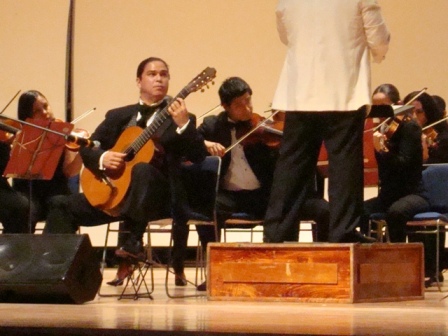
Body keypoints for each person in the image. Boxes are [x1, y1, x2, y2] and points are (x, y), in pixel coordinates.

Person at [43, 57, 207, 286]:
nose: (158, 78)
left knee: (141, 170)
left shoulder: (181, 118)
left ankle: (132, 242)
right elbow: (90, 147)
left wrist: (183, 126)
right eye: (152, 74)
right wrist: (103, 157)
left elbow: (198, 155)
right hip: (115, 194)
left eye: (163, 74)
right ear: (139, 81)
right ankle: (54, 274)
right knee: (60, 205)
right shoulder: (118, 116)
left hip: (159, 199)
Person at [178, 77, 329, 291]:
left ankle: (311, 269)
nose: (247, 108)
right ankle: (215, 270)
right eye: (239, 104)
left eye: (249, 100)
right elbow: (188, 146)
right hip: (230, 197)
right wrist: (204, 143)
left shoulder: (263, 129)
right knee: (208, 209)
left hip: (264, 196)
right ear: (225, 106)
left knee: (322, 209)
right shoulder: (213, 126)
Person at [264, 0, 390, 243]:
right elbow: (378, 39)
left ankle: (277, 233)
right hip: (343, 88)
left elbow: (285, 35)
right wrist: (380, 53)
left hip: (301, 90)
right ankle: (342, 231)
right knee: (344, 165)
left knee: (291, 167)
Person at [6, 91, 83, 233]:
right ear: (27, 116)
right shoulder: (20, 135)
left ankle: (50, 253)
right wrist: (14, 148)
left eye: (46, 106)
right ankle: (18, 252)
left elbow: (70, 171)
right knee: (24, 210)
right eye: (37, 111)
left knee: (60, 206)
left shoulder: (63, 132)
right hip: (27, 193)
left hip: (56, 192)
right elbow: (9, 173)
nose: (45, 112)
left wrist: (80, 152)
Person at [403, 91, 448, 286]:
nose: (413, 118)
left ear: (429, 113)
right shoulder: (402, 137)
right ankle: (413, 268)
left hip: (436, 195)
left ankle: (433, 268)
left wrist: (425, 151)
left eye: (418, 113)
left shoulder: (442, 137)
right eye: (408, 113)